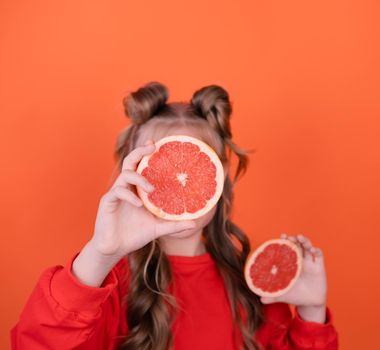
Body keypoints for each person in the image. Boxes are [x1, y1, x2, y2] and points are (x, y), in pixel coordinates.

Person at [10, 82, 339, 349]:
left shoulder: (256, 290)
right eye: (160, 169)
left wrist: (311, 313)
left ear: (219, 176)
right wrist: (100, 253)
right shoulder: (106, 288)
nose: (176, 182)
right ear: (132, 175)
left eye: (191, 168)